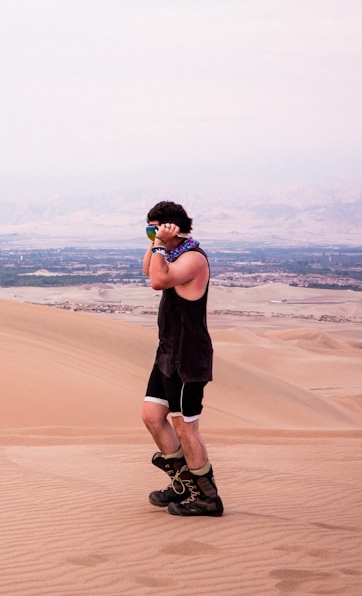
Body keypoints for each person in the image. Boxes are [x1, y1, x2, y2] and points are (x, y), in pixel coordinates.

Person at [140, 200, 223, 517]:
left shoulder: (192, 259)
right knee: (151, 415)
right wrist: (156, 243)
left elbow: (158, 280)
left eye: (155, 228)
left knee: (185, 428)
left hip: (188, 358)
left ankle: (207, 496)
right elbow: (149, 269)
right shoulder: (169, 254)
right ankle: (182, 481)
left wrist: (161, 243)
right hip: (167, 352)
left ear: (171, 229)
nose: (151, 235)